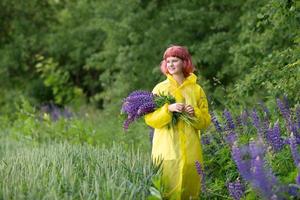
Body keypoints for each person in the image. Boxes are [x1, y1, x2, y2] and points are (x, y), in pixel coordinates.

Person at [144, 45, 211, 199]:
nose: (171, 65)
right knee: (167, 193)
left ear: (184, 62)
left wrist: (195, 113)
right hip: (166, 152)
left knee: (191, 193)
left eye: (175, 61)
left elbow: (206, 121)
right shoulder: (160, 89)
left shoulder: (197, 90)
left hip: (191, 153)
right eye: (168, 62)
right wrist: (169, 109)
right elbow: (150, 119)